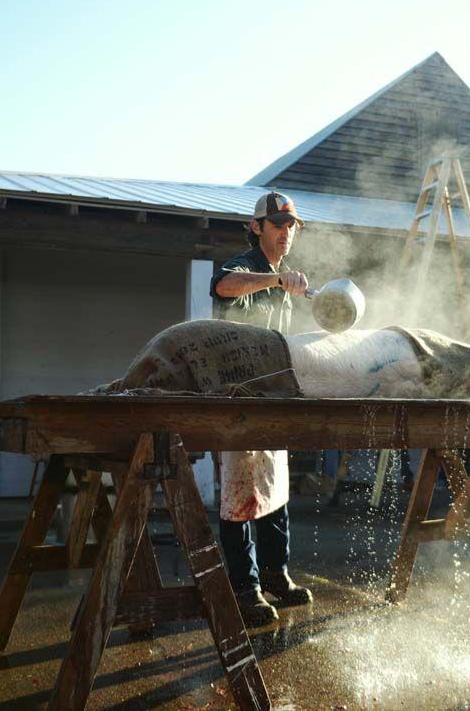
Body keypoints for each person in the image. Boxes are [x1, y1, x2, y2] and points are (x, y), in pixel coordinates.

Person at [210, 191, 313, 626]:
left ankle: (276, 574)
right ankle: (244, 587)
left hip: (273, 397)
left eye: (291, 226)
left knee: (276, 488)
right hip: (237, 399)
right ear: (257, 228)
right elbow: (222, 285)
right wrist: (274, 280)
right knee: (240, 495)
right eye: (277, 225)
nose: (285, 233)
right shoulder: (246, 267)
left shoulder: (286, 281)